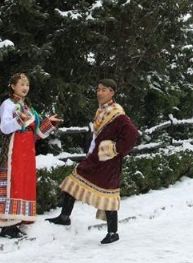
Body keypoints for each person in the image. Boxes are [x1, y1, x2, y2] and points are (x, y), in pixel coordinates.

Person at [47, 78, 138, 245]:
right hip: (95, 158)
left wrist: (115, 149)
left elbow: (132, 134)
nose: (100, 93)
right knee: (73, 180)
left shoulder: (117, 113)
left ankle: (113, 232)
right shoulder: (101, 111)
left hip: (109, 162)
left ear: (112, 92)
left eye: (104, 90)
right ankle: (65, 216)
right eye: (98, 89)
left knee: (108, 194)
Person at [0, 73, 60, 238]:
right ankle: (7, 224)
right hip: (14, 149)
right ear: (13, 86)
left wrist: (49, 124)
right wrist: (19, 121)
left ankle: (18, 221)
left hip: (27, 150)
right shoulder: (8, 105)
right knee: (14, 182)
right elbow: (4, 128)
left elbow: (37, 132)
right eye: (21, 84)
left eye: (27, 85)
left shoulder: (28, 107)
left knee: (24, 183)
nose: (25, 88)